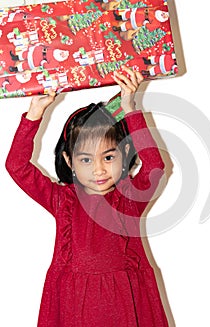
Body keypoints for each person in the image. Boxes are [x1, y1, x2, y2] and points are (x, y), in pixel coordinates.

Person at [6, 66, 169, 326]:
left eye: (108, 157)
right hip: (72, 305)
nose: (98, 169)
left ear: (124, 154)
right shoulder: (62, 200)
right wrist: (34, 114)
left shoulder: (129, 200)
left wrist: (130, 109)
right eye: (85, 159)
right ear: (69, 161)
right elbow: (17, 166)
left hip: (126, 303)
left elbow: (154, 167)